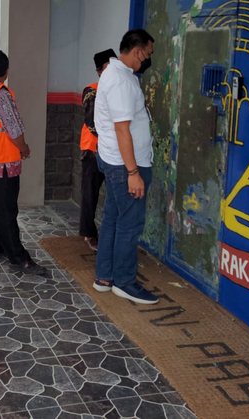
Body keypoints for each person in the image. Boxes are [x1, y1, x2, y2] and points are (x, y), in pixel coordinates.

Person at [93, 29, 159, 305]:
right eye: (148, 54)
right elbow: (122, 130)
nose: (148, 59)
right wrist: (133, 173)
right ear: (137, 51)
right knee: (130, 224)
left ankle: (105, 277)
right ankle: (124, 282)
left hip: (115, 161)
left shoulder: (115, 73)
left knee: (113, 218)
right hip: (124, 166)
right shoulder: (120, 80)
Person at [0, 50, 46, 275]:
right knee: (5, 210)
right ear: (6, 71)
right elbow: (13, 129)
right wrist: (24, 149)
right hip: (2, 161)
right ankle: (18, 257)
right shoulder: (1, 94)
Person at [80, 49, 116, 251]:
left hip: (113, 152)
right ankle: (88, 233)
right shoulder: (92, 91)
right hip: (93, 150)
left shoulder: (119, 89)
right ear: (99, 71)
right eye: (110, 67)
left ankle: (109, 234)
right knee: (89, 193)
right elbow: (92, 123)